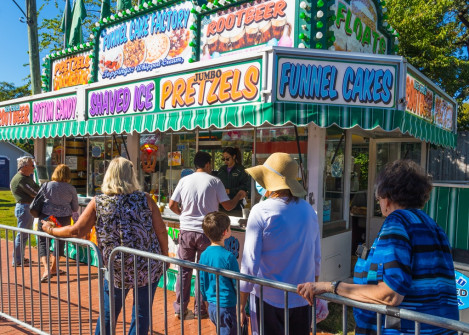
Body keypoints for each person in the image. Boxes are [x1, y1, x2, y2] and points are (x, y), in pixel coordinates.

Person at [297, 159, 459, 334]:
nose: (379, 203)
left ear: (387, 198)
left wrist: (331, 286)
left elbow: (390, 294)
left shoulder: (397, 223)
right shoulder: (433, 226)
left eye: (378, 198)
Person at [42, 157, 169, 335]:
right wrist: (165, 255)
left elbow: (76, 231)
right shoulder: (145, 199)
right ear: (131, 175)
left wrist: (51, 231)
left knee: (109, 312)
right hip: (147, 264)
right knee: (141, 313)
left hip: (116, 266)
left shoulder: (99, 202)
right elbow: (161, 231)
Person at [239, 152, 321, 335]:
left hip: (269, 298)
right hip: (302, 297)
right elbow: (316, 258)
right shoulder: (309, 211)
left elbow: (249, 263)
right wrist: (315, 292)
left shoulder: (260, 211)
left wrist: (241, 303)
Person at [169, 151, 246, 319]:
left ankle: (180, 308)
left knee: (184, 270)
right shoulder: (214, 181)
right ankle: (200, 310)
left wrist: (183, 214)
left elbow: (172, 204)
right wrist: (239, 196)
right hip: (207, 232)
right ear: (208, 164)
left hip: (187, 231)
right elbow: (227, 206)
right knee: (202, 271)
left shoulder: (184, 180)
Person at [200, 212, 244, 335]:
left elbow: (202, 281)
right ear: (225, 232)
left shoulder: (204, 255)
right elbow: (237, 283)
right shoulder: (229, 257)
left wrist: (205, 301)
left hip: (212, 305)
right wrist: (241, 306)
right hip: (227, 306)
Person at [37, 164, 79, 282]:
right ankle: (54, 268)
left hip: (46, 216)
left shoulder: (46, 185)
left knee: (43, 242)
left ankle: (46, 270)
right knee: (59, 243)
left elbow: (38, 199)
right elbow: (75, 207)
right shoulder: (71, 189)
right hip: (63, 218)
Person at [10, 156, 40, 267]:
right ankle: (17, 260)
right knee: (22, 234)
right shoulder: (20, 179)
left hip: (26, 207)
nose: (34, 167)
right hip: (24, 208)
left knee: (24, 235)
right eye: (32, 165)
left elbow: (37, 188)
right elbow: (34, 192)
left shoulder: (26, 177)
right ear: (25, 166)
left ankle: (20, 258)